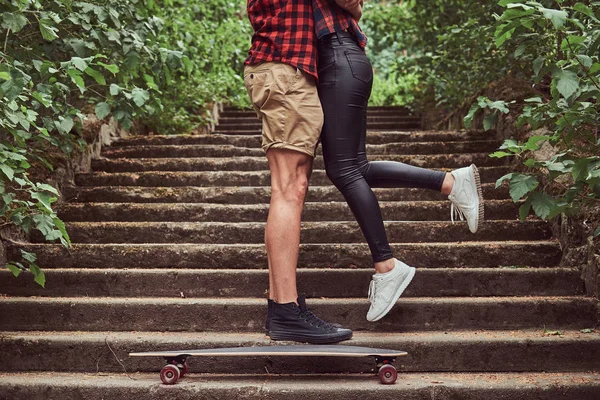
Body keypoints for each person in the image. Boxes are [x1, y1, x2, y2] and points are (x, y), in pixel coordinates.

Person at [313, 0, 484, 322]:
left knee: (343, 169)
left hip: (338, 58)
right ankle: (449, 182)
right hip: (338, 60)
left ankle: (387, 265)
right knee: (355, 167)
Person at [243, 0, 353, 343]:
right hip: (285, 71)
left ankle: (283, 307)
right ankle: (286, 310)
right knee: (289, 188)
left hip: (283, 70)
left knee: (290, 187)